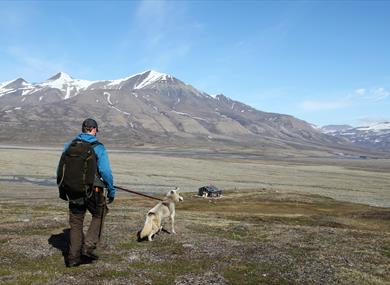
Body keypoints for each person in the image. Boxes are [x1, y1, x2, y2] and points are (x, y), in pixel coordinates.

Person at [61, 118, 115, 267]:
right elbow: (105, 171)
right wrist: (111, 190)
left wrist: (62, 190)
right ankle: (88, 248)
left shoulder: (69, 146)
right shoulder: (98, 147)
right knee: (100, 213)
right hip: (94, 190)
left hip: (73, 190)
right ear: (94, 129)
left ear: (82, 129)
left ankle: (72, 259)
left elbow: (61, 170)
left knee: (76, 222)